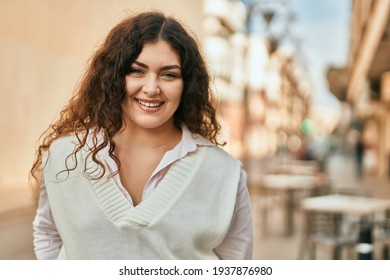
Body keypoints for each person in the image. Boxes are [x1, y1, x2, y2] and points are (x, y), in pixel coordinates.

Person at [30, 11, 253, 260]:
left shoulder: (225, 173)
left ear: (187, 83)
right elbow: (48, 234)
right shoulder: (63, 156)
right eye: (137, 71)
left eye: (169, 74)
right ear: (114, 77)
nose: (151, 88)